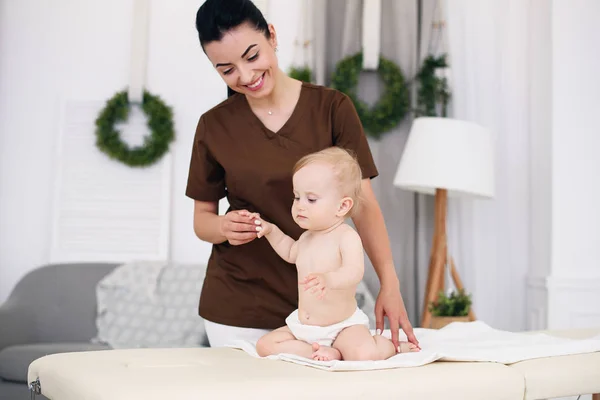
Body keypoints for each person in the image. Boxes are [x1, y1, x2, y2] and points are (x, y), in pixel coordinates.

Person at [187, 0, 419, 352]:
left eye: (252, 56)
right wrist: (223, 227)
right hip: (237, 310)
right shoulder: (214, 126)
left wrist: (390, 283)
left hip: (327, 312)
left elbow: (364, 205)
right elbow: (202, 221)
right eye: (227, 70)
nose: (246, 76)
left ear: (272, 37)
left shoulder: (331, 109)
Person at [252, 147, 419, 361]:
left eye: (311, 199)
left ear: (342, 206)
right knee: (264, 345)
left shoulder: (345, 237)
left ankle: (390, 347)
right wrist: (271, 232)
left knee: (364, 354)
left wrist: (328, 279)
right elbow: (290, 252)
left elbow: (354, 272)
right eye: (296, 197)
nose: (299, 206)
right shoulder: (306, 237)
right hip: (305, 328)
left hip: (342, 327)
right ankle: (325, 353)